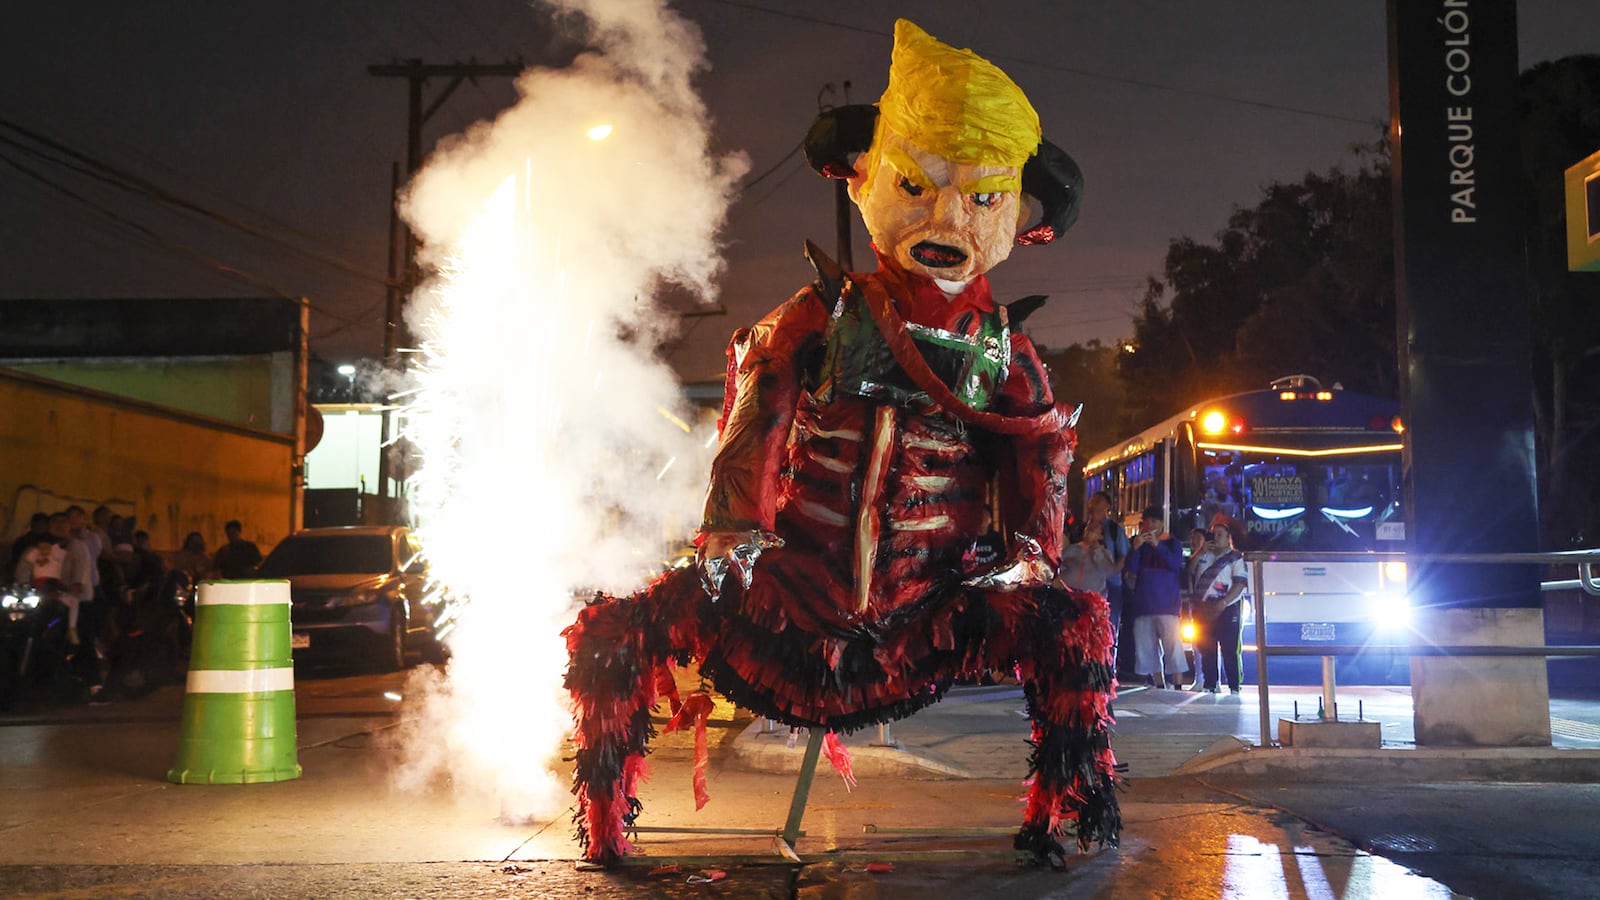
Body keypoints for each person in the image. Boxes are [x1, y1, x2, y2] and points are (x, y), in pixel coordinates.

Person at [564, 20, 1116, 868]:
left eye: (977, 198)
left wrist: (1031, 554)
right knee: (609, 633)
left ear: (1013, 210)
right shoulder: (821, 313)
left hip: (930, 612)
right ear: (867, 178)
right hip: (784, 598)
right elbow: (760, 407)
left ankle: (1061, 814)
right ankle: (603, 828)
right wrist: (732, 531)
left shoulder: (1007, 352)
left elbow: (1039, 452)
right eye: (918, 186)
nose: (944, 219)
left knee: (1075, 628)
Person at [1124, 506, 1185, 689]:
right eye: (1148, 521)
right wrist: (1135, 549)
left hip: (1167, 604)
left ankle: (1178, 684)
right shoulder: (1138, 545)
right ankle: (1158, 683)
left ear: (1162, 523)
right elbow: (1132, 571)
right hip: (1144, 603)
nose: (1151, 525)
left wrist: (1156, 545)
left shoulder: (1173, 543)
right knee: (1147, 648)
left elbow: (1175, 564)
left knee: (1173, 646)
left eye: (1155, 521)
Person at [1191, 522, 1249, 694]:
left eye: (1220, 535)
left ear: (1228, 538)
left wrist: (1223, 603)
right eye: (1213, 534)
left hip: (1228, 607)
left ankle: (1233, 686)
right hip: (1204, 607)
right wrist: (1200, 551)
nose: (1215, 538)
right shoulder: (1204, 556)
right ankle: (1210, 684)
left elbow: (1240, 583)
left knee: (1229, 649)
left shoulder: (1235, 557)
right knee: (1207, 648)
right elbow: (1190, 570)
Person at [1085, 490, 1131, 640]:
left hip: (1112, 585)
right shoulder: (1083, 529)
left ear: (1108, 507)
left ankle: (1108, 660)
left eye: (1099, 503)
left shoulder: (1114, 530)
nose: (1095, 505)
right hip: (1089, 585)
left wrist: (1112, 571)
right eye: (1093, 502)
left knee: (1109, 627)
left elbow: (1125, 555)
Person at [1056, 511, 1121, 593]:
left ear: (1101, 536)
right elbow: (1058, 565)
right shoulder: (1072, 548)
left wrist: (1096, 549)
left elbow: (1108, 571)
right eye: (1089, 527)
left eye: (1095, 528)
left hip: (1092, 598)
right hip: (1069, 595)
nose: (1091, 529)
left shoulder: (1104, 553)